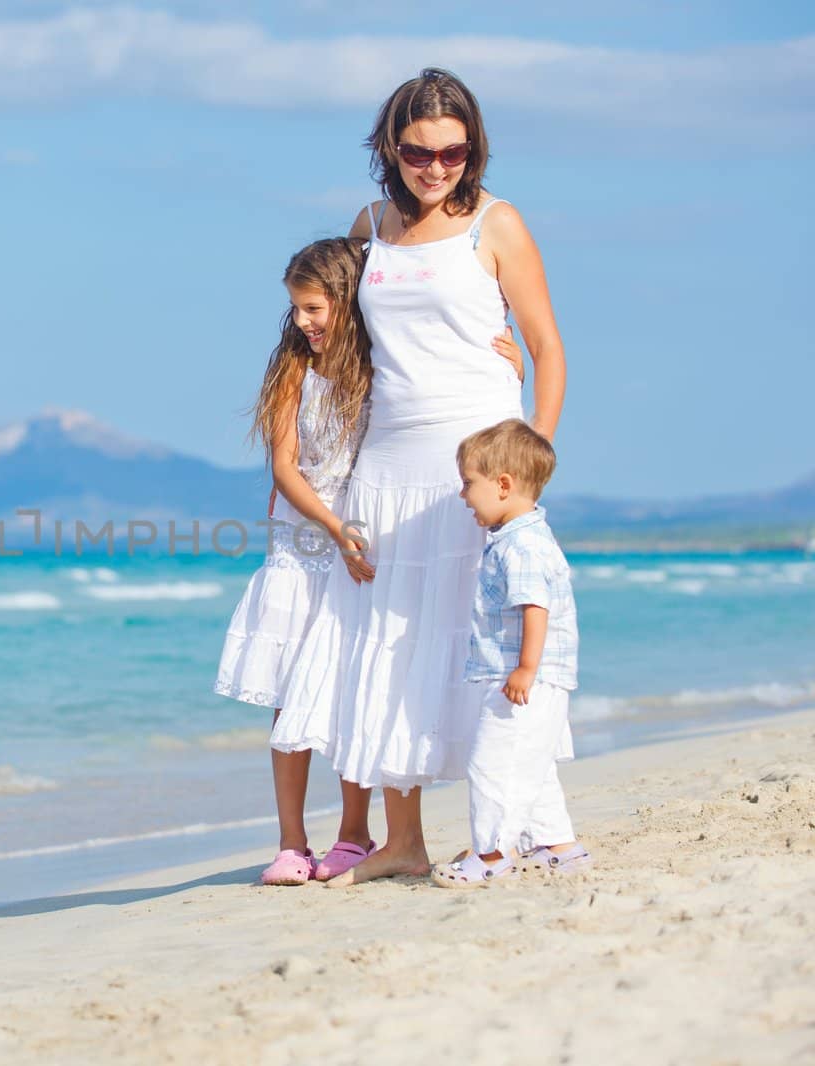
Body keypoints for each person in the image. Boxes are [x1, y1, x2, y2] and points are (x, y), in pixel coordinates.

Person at [270, 67, 569, 887]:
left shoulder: (497, 224)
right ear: (388, 148)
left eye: (452, 152)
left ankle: (520, 828)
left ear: (471, 150)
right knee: (388, 641)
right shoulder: (370, 225)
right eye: (416, 151)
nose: (434, 168)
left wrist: (528, 458)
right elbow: (334, 329)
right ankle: (402, 841)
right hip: (387, 458)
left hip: (476, 460)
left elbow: (547, 348)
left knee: (489, 643)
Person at [214, 237, 378, 885]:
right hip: (303, 549)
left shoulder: (379, 368)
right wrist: (334, 528)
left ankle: (355, 835)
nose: (305, 321)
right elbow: (284, 469)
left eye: (315, 307)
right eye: (297, 309)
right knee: (289, 699)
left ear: (347, 300)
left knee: (348, 694)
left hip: (357, 552)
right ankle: (290, 843)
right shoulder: (294, 371)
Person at [432, 419, 588, 887]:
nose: (463, 496)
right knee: (531, 765)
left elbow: (534, 608)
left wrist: (525, 668)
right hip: (533, 677)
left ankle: (493, 853)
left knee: (493, 764)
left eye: (468, 484)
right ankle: (559, 846)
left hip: (524, 678)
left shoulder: (520, 545)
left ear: (503, 485)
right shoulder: (523, 538)